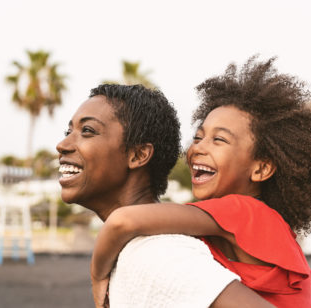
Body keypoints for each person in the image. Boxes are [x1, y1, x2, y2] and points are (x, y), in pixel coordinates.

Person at [91, 56, 311, 307]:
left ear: (261, 168)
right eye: (198, 137)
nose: (198, 148)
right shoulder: (256, 220)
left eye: (219, 140)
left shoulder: (243, 211)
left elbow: (122, 221)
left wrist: (98, 275)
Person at [56, 84, 273, 308]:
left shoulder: (161, 256)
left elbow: (122, 222)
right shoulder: (148, 250)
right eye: (68, 132)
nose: (62, 145)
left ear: (139, 155)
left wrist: (97, 275)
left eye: (88, 131)